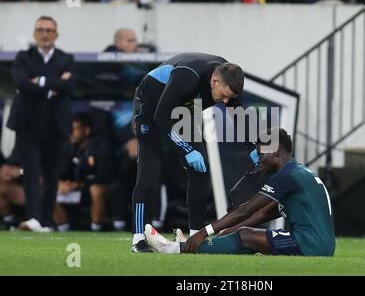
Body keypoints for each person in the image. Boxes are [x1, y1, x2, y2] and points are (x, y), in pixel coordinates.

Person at [130, 52, 256, 252]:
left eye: (229, 98)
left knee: (201, 171)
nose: (224, 102)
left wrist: (253, 150)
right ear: (214, 81)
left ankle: (196, 237)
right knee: (150, 170)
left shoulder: (228, 82)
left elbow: (240, 118)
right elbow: (161, 117)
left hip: (185, 110)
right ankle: (138, 238)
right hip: (151, 107)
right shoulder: (187, 77)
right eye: (223, 96)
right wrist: (188, 149)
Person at [145, 128, 336, 257]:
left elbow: (247, 209)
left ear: (276, 152)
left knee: (245, 236)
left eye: (261, 154)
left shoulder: (287, 175)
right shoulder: (298, 171)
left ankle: (173, 248)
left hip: (310, 244)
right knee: (245, 241)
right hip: (320, 244)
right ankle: (190, 246)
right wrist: (228, 231)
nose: (259, 160)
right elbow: (263, 214)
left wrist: (203, 232)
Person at [7, 15, 75, 232]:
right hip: (28, 124)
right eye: (41, 30)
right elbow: (22, 83)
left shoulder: (67, 58)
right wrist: (54, 84)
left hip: (56, 125)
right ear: (35, 33)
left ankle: (46, 221)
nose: (45, 34)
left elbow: (70, 86)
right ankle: (34, 218)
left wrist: (39, 81)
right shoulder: (23, 56)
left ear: (56, 34)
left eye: (49, 30)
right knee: (32, 172)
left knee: (52, 174)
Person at [53, 112, 114, 231]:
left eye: (76, 128)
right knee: (51, 187)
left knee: (95, 189)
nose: (72, 132)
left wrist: (78, 185)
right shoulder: (69, 146)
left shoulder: (101, 146)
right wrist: (61, 183)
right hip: (74, 189)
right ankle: (63, 228)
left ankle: (96, 229)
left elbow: (104, 176)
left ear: (87, 130)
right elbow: (59, 172)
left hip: (96, 187)